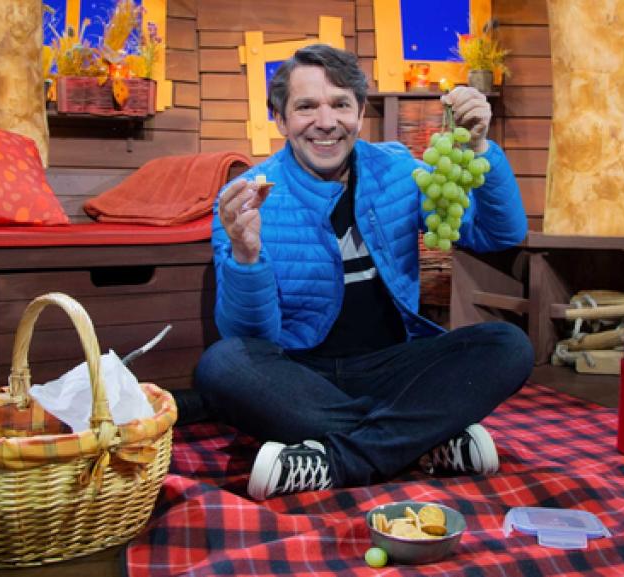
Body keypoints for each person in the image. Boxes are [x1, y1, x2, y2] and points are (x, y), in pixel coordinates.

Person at [187, 43, 533, 501]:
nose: (326, 122)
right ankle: (423, 438)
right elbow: (250, 337)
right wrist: (246, 255)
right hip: (299, 374)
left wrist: (480, 147)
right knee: (222, 365)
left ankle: (337, 459)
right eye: (306, 106)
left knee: (508, 345)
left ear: (360, 111)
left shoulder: (397, 171)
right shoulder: (245, 198)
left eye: (340, 104)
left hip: (393, 364)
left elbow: (498, 234)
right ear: (281, 119)